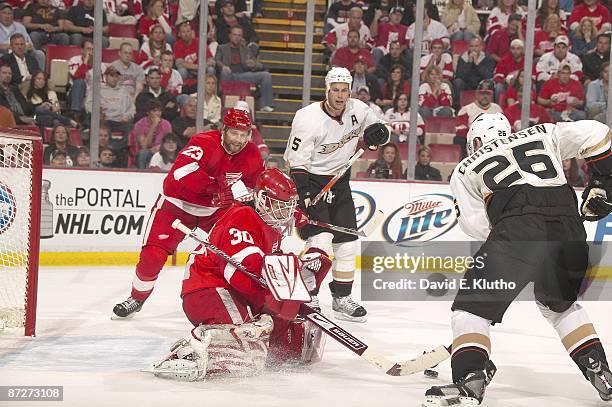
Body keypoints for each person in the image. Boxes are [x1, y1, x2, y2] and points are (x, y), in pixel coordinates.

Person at [425, 112, 612, 406]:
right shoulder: (543, 133)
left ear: (476, 140)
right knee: (559, 305)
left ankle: (469, 380)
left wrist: (516, 255)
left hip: (517, 229)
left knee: (471, 309)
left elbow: (476, 226)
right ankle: (601, 371)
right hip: (569, 227)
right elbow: (597, 132)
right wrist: (604, 181)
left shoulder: (465, 167)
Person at [148, 169, 330, 381]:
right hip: (208, 290)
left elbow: (260, 273)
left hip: (227, 290)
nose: (285, 214)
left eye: (288, 207)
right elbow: (241, 275)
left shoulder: (269, 226)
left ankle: (216, 341)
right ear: (262, 199)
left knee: (262, 344)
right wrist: (273, 304)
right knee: (250, 351)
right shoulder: (242, 217)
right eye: (279, 206)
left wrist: (298, 275)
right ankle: (192, 349)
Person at [112, 108, 265, 319]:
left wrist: (248, 198)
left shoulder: (252, 154)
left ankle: (249, 301)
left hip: (215, 212)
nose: (238, 140)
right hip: (177, 206)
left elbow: (255, 184)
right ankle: (137, 297)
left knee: (237, 253)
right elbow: (182, 172)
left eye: (243, 134)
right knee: (153, 256)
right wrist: (215, 189)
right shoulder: (203, 142)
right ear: (224, 130)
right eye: (234, 133)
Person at [284, 67, 391, 322]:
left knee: (348, 243)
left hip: (340, 182)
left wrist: (380, 134)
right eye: (336, 90)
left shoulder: (359, 109)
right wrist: (304, 194)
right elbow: (296, 161)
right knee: (319, 241)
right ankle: (308, 295)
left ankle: (341, 298)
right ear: (327, 89)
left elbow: (381, 126)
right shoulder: (307, 118)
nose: (340, 95)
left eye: (345, 90)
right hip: (310, 181)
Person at [215, 26, 274, 112]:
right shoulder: (222, 48)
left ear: (241, 37)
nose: (236, 37)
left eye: (239, 35)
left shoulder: (246, 49)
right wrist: (223, 66)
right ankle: (224, 103)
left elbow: (259, 65)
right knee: (224, 73)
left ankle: (266, 105)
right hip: (229, 74)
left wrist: (254, 65)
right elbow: (216, 60)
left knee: (266, 75)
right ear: (230, 36)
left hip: (244, 75)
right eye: (234, 34)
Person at [132, 99, 173, 168]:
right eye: (154, 111)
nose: (157, 113)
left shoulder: (166, 124)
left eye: (159, 111)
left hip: (162, 150)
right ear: (148, 112)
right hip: (146, 152)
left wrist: (160, 147)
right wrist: (153, 126)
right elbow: (144, 145)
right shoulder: (139, 124)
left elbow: (169, 142)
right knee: (143, 153)